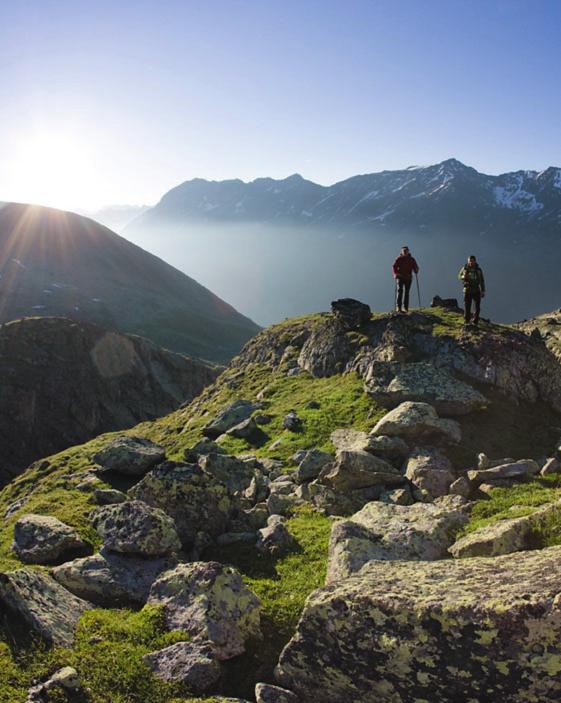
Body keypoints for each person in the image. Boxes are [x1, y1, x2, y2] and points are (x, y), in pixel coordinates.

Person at [458, 255, 485, 325]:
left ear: (475, 261)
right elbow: (459, 276)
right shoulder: (465, 268)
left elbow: (482, 281)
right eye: (470, 261)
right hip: (467, 289)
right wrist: (464, 276)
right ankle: (467, 321)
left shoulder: (478, 270)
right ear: (468, 261)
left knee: (477, 307)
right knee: (467, 306)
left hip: (476, 290)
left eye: (472, 261)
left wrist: (483, 291)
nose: (471, 262)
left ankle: (475, 322)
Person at [392, 245, 419, 313]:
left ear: (408, 251)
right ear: (402, 252)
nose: (405, 252)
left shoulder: (411, 259)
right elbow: (394, 266)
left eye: (406, 251)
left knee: (406, 292)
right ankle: (399, 307)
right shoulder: (399, 259)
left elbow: (415, 267)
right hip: (401, 277)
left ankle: (405, 308)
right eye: (404, 251)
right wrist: (395, 274)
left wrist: (416, 270)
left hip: (408, 277)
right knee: (400, 291)